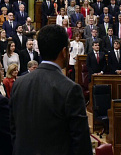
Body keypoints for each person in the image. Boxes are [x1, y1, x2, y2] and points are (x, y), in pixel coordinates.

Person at [10, 25, 92, 155]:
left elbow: (13, 131)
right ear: (64, 52)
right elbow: (81, 143)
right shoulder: (71, 89)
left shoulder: (19, 84)